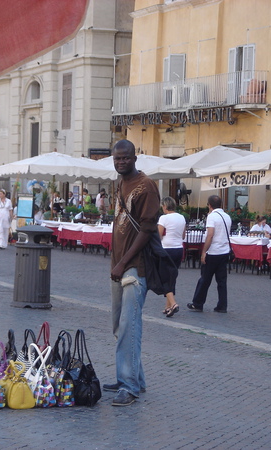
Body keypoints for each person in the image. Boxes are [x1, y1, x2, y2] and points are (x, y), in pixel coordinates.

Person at [103, 139, 160, 407]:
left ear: (134, 157)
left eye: (125, 158)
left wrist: (123, 261)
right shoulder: (120, 183)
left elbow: (148, 230)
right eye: (117, 159)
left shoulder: (146, 186)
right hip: (120, 264)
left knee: (129, 325)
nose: (120, 162)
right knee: (118, 324)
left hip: (136, 266)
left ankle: (129, 386)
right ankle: (133, 376)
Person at [187, 194, 232, 313]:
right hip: (224, 251)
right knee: (221, 281)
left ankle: (198, 303)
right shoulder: (227, 216)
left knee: (205, 279)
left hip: (213, 252)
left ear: (209, 205)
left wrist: (204, 251)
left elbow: (210, 235)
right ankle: (222, 305)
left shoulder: (212, 217)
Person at [158, 196, 186, 317]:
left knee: (164, 277)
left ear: (165, 206)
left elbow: (158, 235)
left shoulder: (164, 218)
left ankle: (173, 304)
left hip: (166, 249)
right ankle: (167, 306)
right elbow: (183, 235)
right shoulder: (182, 217)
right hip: (178, 249)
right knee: (172, 277)